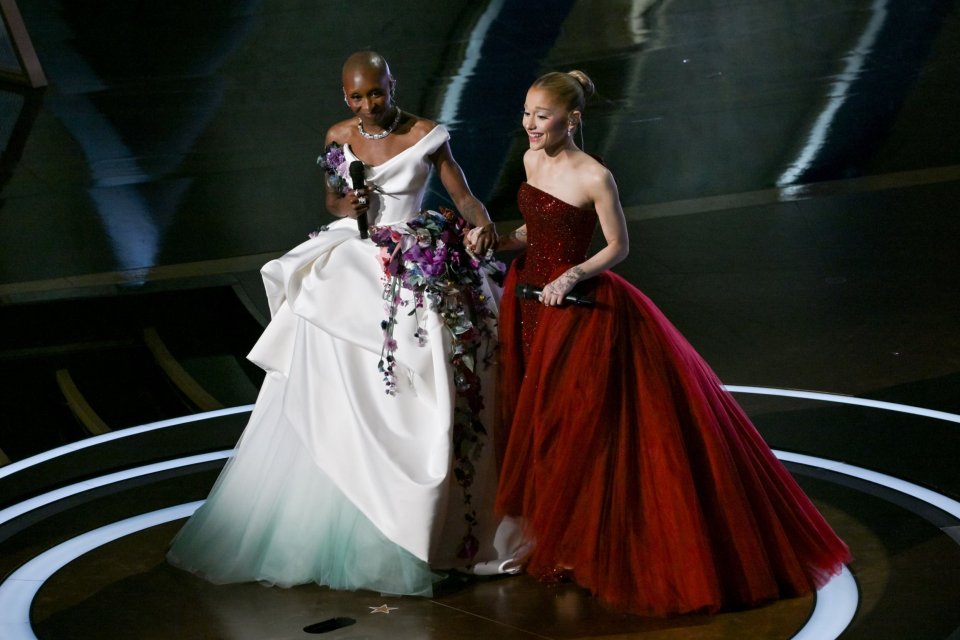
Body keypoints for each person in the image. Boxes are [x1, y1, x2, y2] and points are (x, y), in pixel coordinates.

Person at [490, 70, 853, 616]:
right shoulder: (530, 161)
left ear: (573, 119)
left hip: (577, 313)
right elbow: (533, 229)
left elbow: (618, 246)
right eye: (526, 114)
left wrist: (572, 276)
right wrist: (495, 238)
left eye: (542, 116)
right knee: (542, 425)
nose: (531, 126)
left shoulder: (595, 177)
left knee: (579, 428)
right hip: (529, 304)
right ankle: (558, 539)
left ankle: (587, 547)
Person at [167, 51, 523, 597]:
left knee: (438, 364)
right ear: (346, 98)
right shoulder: (339, 136)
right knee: (330, 345)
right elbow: (332, 198)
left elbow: (462, 195)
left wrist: (484, 233)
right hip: (358, 256)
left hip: (418, 253)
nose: (367, 105)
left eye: (375, 94)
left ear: (391, 85)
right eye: (356, 97)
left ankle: (437, 514)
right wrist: (345, 202)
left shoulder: (428, 134)